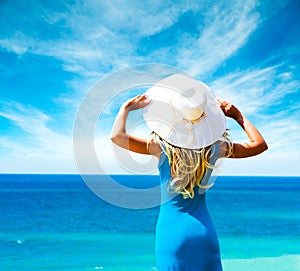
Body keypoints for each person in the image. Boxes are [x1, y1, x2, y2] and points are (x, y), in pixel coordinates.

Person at [110, 74, 268, 271]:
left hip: (172, 235)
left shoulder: (160, 147)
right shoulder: (215, 148)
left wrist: (125, 108)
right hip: (204, 232)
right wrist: (237, 115)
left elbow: (117, 136)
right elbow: (260, 145)